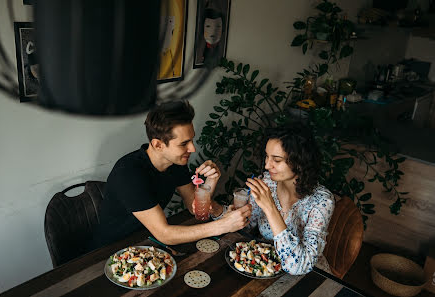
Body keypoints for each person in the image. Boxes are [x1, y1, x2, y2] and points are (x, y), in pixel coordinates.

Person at [90, 101, 251, 249]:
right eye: (183, 144)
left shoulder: (175, 163)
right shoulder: (128, 173)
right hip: (108, 250)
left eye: (191, 140)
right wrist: (224, 225)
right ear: (158, 145)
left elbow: (194, 208)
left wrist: (211, 180)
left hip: (146, 240)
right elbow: (164, 234)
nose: (192, 149)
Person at [243, 124, 335, 275]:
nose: (266, 165)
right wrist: (214, 206)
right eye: (266, 156)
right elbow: (244, 226)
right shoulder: (267, 182)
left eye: (277, 160)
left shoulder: (322, 202)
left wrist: (270, 208)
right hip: (268, 268)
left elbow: (299, 266)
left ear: (300, 162)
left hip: (309, 277)